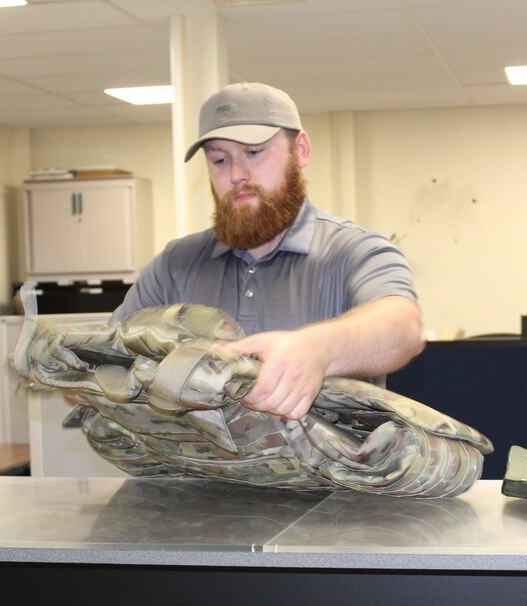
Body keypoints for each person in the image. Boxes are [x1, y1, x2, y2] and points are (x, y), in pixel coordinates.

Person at [111, 82, 424, 420]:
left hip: (320, 473)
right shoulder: (175, 264)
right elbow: (100, 361)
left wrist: (315, 350)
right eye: (219, 159)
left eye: (254, 153)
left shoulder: (354, 251)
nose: (236, 175)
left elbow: (403, 329)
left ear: (300, 150)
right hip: (193, 471)